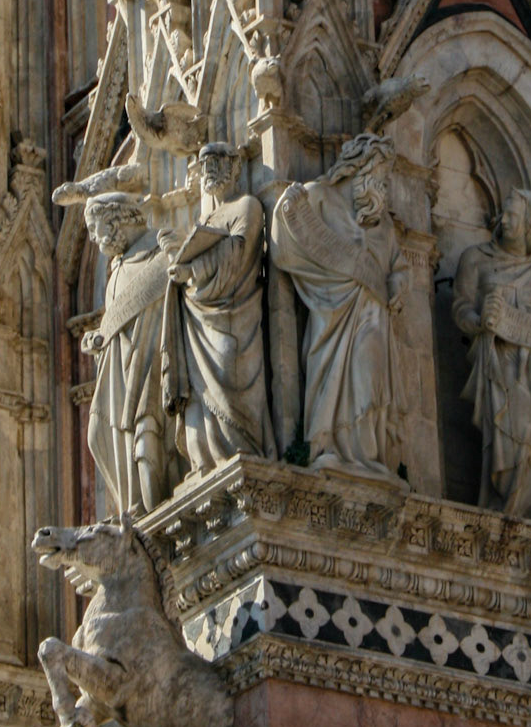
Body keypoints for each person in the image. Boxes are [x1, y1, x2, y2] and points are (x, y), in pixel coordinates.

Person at [270, 131, 405, 479]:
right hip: (330, 314)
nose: (382, 184)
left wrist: (398, 284)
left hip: (373, 316)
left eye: (385, 177)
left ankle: (367, 455)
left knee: (371, 375)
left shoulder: (383, 224)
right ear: (356, 169)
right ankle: (330, 447)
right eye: (378, 174)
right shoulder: (317, 197)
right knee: (337, 375)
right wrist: (285, 209)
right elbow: (284, 249)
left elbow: (397, 265)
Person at [453, 188, 531, 523]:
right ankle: (505, 495)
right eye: (503, 213)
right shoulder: (474, 258)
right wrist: (477, 322)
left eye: (513, 216)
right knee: (512, 428)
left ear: (530, 225)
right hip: (497, 360)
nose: (503, 220)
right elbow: (460, 306)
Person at [160, 143, 273, 474]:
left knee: (227, 369)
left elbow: (240, 251)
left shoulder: (246, 206)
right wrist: (176, 258)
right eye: (204, 162)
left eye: (217, 161)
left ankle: (242, 451)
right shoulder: (207, 217)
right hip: (198, 319)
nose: (208, 167)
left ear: (235, 167)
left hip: (236, 315)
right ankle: (203, 462)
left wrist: (192, 270)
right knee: (198, 396)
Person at [83, 192, 178, 512]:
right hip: (118, 372)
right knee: (97, 433)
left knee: (146, 441)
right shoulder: (114, 274)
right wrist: (98, 340)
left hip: (151, 364)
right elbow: (115, 325)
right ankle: (130, 505)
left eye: (97, 230)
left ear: (118, 221)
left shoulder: (160, 246)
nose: (96, 240)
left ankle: (151, 515)